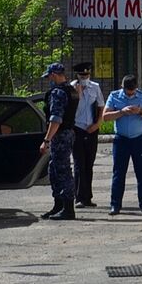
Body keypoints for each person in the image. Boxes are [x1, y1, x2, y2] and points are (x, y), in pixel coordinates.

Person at [103, 75, 142, 216]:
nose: (130, 94)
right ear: (123, 87)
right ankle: (115, 205)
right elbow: (105, 117)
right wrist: (121, 112)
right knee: (118, 173)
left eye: (133, 92)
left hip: (139, 139)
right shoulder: (114, 96)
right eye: (128, 92)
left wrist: (140, 112)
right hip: (121, 139)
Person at [39, 63, 79, 220]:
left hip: (60, 135)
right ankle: (59, 205)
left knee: (62, 171)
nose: (48, 79)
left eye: (49, 76)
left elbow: (56, 119)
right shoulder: (72, 90)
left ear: (54, 75)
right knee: (54, 169)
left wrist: (46, 140)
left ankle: (67, 208)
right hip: (68, 133)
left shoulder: (58, 93)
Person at [70, 62, 105, 208]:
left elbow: (101, 107)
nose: (84, 77)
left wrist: (97, 124)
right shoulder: (71, 87)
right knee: (79, 164)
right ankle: (78, 197)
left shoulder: (95, 87)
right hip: (76, 128)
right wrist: (77, 93)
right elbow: (69, 109)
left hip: (91, 129)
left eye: (87, 75)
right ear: (77, 75)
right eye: (82, 75)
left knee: (88, 164)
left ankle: (88, 197)